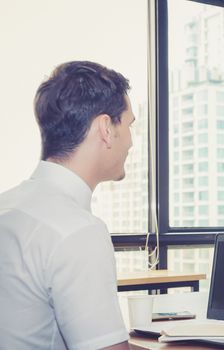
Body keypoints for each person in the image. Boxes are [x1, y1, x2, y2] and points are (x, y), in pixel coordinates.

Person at [0, 61, 134, 349]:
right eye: (129, 125)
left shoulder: (7, 208)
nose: (131, 142)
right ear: (106, 129)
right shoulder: (77, 232)